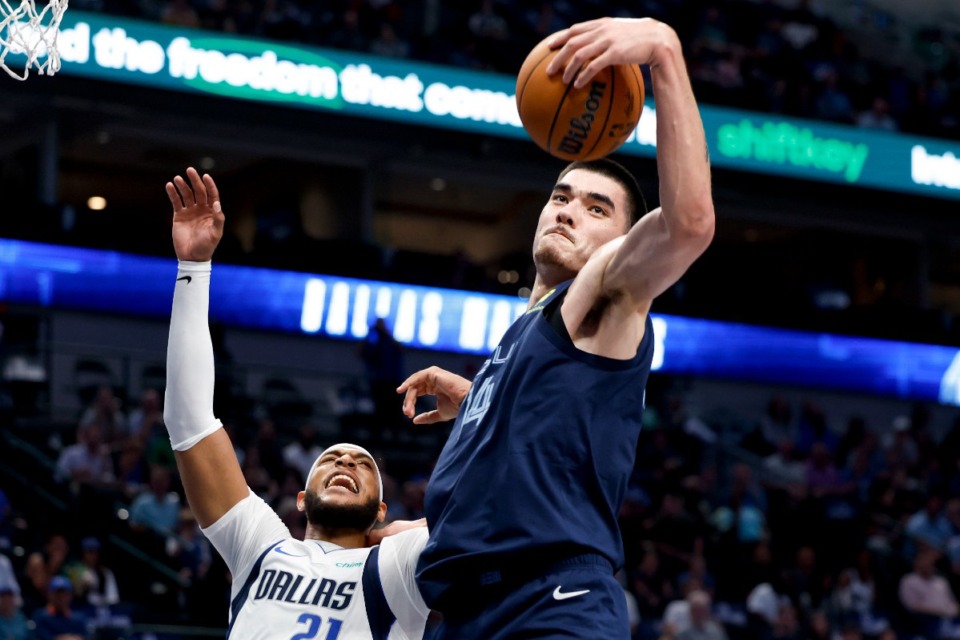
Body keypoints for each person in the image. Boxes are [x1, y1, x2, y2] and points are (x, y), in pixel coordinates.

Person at [397, 16, 714, 639]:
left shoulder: (605, 288)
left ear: (622, 244)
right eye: (562, 196)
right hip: (465, 614)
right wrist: (482, 404)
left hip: (552, 603)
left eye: (597, 209)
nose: (569, 211)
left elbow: (690, 225)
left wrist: (664, 52)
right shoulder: (525, 338)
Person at [162, 167, 429, 638]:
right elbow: (188, 421)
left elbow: (489, 512)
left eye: (362, 465)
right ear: (301, 500)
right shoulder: (260, 544)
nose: (345, 459)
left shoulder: (395, 564)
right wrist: (193, 270)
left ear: (380, 512)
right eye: (330, 459)